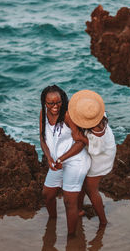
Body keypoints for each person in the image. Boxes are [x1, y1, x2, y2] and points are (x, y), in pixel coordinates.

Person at [58, 89, 117, 227]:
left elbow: (97, 150)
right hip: (105, 148)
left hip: (101, 157)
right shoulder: (97, 114)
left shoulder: (97, 132)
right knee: (83, 183)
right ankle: (78, 209)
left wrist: (81, 139)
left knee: (91, 189)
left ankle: (103, 221)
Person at [40, 85, 91, 236]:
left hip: (75, 160)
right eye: (51, 103)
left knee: (69, 201)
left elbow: (81, 142)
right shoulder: (43, 114)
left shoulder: (68, 115)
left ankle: (71, 238)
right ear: (44, 102)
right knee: (47, 194)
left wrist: (62, 158)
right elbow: (42, 137)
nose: (55, 106)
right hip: (56, 162)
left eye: (58, 102)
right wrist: (49, 158)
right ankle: (52, 222)